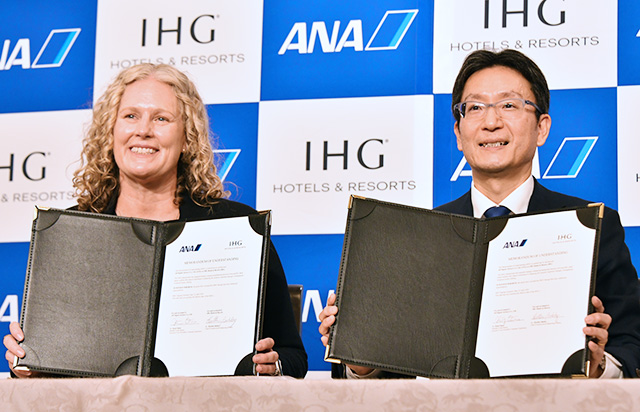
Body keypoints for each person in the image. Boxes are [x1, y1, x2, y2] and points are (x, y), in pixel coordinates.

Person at [319, 49, 640, 379]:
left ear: (542, 128)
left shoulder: (591, 227)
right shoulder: (420, 236)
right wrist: (361, 360)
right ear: (459, 134)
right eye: (474, 108)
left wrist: (598, 367)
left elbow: (632, 344)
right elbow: (398, 370)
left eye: (509, 105)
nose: (491, 122)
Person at [3, 63, 307, 378]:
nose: (144, 130)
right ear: (110, 132)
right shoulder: (69, 230)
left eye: (161, 118)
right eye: (130, 116)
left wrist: (273, 365)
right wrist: (28, 364)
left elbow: (294, 357)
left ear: (187, 138)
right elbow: (45, 362)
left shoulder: (239, 226)